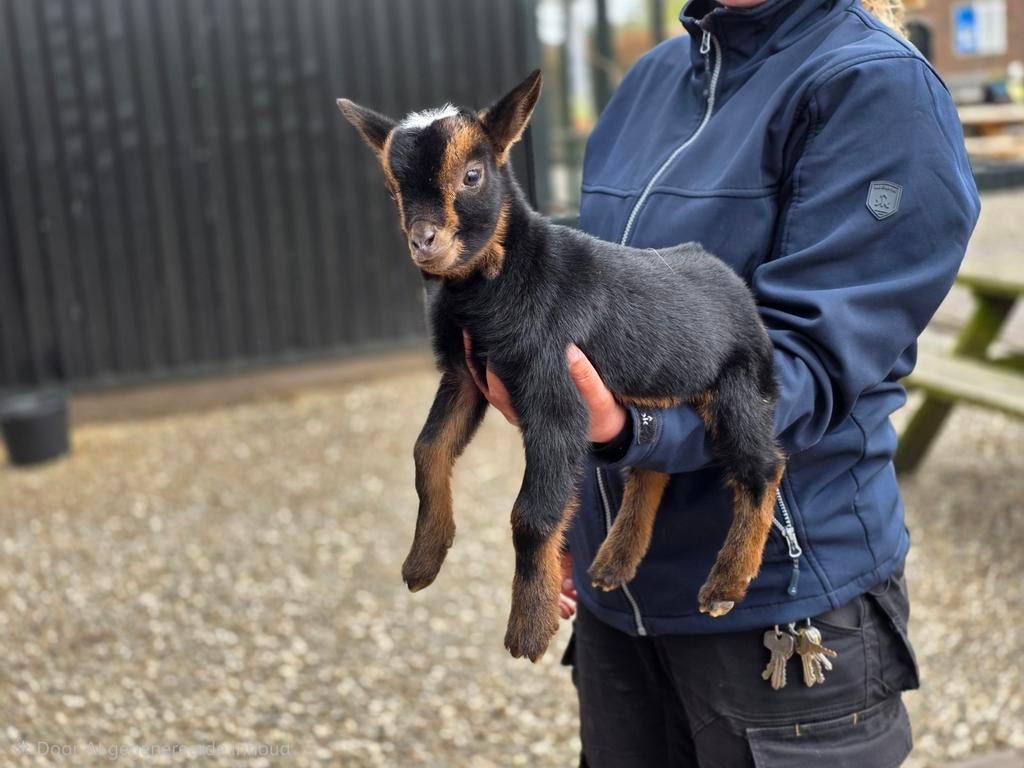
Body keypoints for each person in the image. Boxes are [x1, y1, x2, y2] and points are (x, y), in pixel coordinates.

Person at [467, 0, 980, 764]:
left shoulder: (874, 88)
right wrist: (575, 517)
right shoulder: (650, 82)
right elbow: (597, 322)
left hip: (776, 608)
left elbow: (807, 362)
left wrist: (630, 430)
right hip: (623, 610)